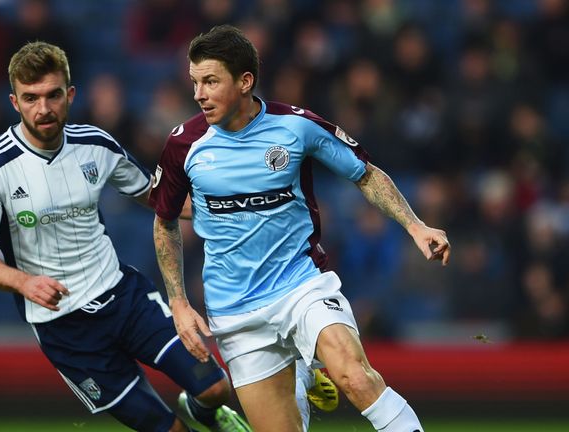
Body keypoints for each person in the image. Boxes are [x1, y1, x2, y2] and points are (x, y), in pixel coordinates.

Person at [150, 25, 451, 432]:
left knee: (355, 376)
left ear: (245, 82)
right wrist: (180, 303)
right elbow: (164, 222)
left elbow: (365, 174)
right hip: (235, 312)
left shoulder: (296, 126)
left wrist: (415, 226)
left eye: (210, 82)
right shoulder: (184, 144)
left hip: (301, 285)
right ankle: (302, 370)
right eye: (194, 82)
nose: (198, 94)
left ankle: (308, 363)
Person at [0, 41, 251, 432]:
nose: (42, 109)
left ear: (70, 94)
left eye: (52, 95)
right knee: (166, 429)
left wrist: (239, 211)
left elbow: (155, 196)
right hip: (64, 329)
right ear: (14, 101)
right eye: (30, 98)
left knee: (215, 388)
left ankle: (204, 410)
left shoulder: (96, 145)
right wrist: (24, 282)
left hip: (122, 297)